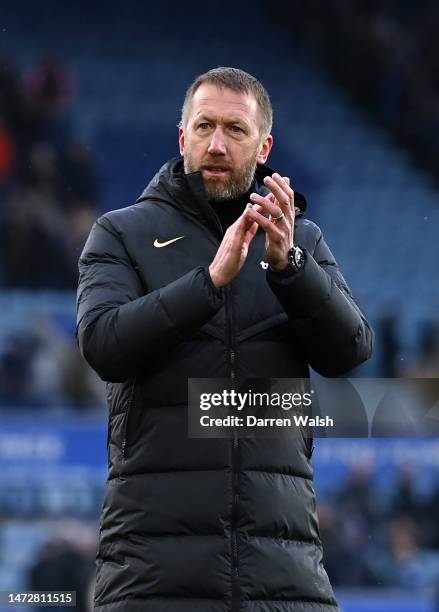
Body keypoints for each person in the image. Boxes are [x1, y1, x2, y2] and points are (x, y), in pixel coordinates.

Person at [76, 67, 373, 612]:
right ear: (181, 137)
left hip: (284, 571)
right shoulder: (122, 232)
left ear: (264, 147)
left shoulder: (300, 240)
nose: (217, 144)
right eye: (204, 126)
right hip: (154, 573)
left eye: (235, 130)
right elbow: (102, 345)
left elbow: (350, 350)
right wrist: (209, 282)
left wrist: (292, 269)